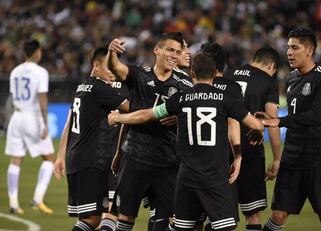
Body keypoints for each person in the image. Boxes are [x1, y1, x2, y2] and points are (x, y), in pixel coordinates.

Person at [107, 53, 264, 231]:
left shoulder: (180, 99)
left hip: (186, 177)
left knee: (182, 228)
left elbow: (146, 115)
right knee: (225, 227)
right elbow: (256, 125)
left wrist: (120, 118)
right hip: (214, 177)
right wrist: (255, 136)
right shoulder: (225, 99)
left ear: (192, 74)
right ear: (214, 74)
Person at [107, 32, 193, 231]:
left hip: (168, 161)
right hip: (136, 158)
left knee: (175, 219)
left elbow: (193, 117)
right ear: (157, 50)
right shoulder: (140, 74)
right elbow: (115, 67)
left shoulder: (184, 85)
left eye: (178, 52)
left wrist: (180, 119)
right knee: (125, 218)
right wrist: (112, 52)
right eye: (169, 49)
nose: (173, 55)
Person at [259, 28, 321, 231]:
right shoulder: (291, 79)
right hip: (292, 158)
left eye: (295, 47)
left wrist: (280, 121)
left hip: (318, 158)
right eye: (288, 48)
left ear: (310, 50)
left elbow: (315, 116)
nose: (289, 52)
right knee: (278, 215)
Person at [53, 46, 129, 231]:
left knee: (91, 218)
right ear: (96, 65)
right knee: (108, 214)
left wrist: (61, 155)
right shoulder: (104, 88)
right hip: (101, 159)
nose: (113, 72)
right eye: (109, 66)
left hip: (78, 157)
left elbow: (69, 123)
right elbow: (132, 109)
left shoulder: (82, 87)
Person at [224, 46, 281, 231]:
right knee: (253, 213)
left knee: (219, 213)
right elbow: (271, 121)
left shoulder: (228, 73)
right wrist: (277, 158)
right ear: (272, 66)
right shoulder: (269, 81)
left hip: (222, 151)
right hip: (250, 150)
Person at [5, 39, 55, 215]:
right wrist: (45, 123)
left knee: (15, 160)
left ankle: (13, 202)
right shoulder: (40, 72)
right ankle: (38, 199)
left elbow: (12, 97)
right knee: (49, 159)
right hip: (32, 117)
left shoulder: (15, 71)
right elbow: (42, 98)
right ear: (36, 53)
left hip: (16, 117)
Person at [199, 42, 243, 231]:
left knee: (191, 220)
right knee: (225, 221)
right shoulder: (233, 88)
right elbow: (234, 123)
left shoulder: (191, 87)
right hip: (222, 161)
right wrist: (238, 155)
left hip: (192, 161)